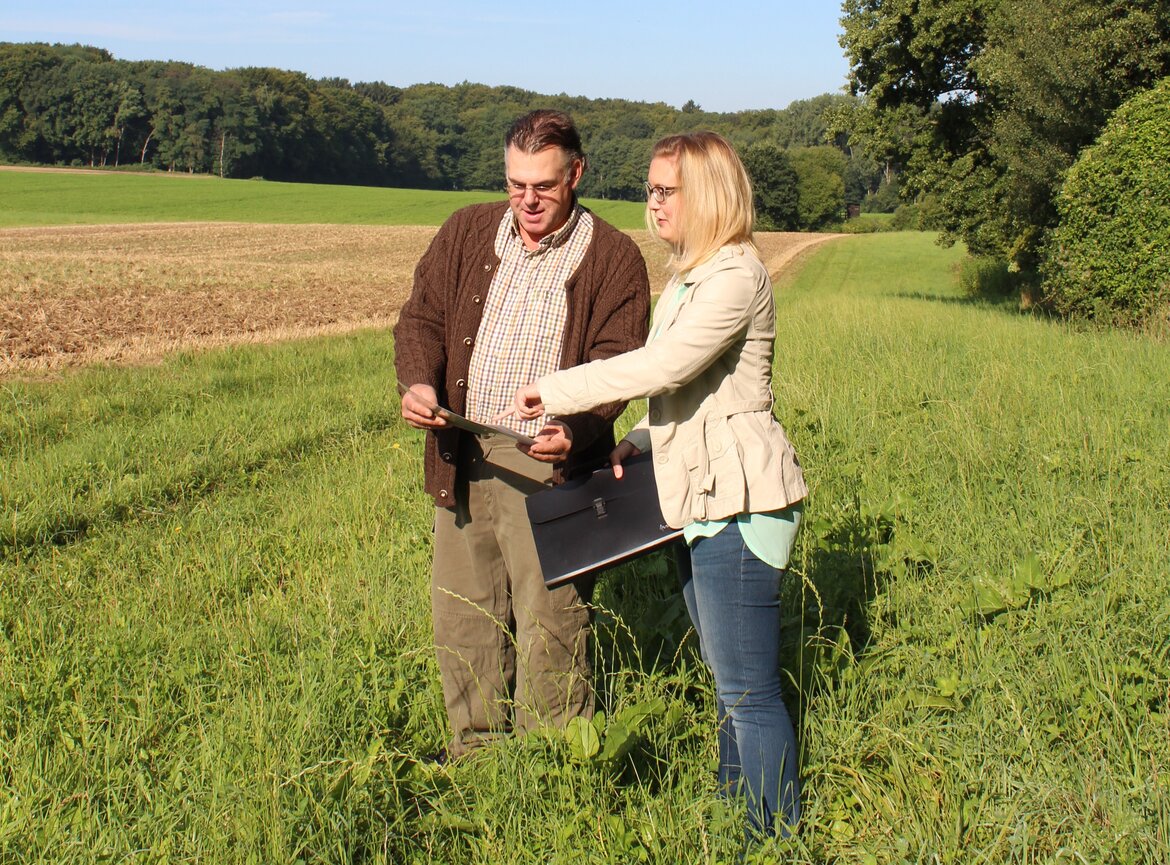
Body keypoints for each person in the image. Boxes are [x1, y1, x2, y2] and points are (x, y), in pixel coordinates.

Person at [502, 131, 808, 835]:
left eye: (668, 190)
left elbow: (663, 367)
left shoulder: (735, 276)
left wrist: (555, 388)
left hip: (740, 501)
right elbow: (689, 397)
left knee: (747, 689)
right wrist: (638, 442)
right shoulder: (692, 275)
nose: (654, 203)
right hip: (699, 495)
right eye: (650, 189)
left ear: (709, 193)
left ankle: (772, 837)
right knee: (730, 687)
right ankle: (742, 823)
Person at [393, 109, 651, 759]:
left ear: (577, 174)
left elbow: (618, 362)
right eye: (515, 184)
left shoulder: (614, 257)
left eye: (543, 185)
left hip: (548, 464)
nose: (527, 201)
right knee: (463, 608)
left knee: (552, 616)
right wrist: (419, 383)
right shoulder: (467, 231)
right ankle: (475, 753)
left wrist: (577, 426)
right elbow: (420, 318)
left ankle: (557, 758)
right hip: (461, 447)